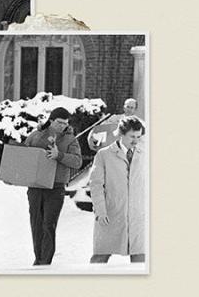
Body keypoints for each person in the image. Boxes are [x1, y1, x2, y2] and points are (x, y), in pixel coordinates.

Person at [22, 107, 83, 265]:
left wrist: (59, 155)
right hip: (35, 186)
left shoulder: (71, 140)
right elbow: (22, 154)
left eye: (65, 123)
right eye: (59, 122)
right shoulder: (35, 136)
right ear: (51, 120)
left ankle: (44, 262)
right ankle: (38, 258)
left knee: (48, 224)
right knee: (36, 223)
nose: (63, 126)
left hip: (56, 188)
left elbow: (77, 162)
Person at [89, 116, 147, 264]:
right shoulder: (104, 155)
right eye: (132, 136)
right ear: (121, 134)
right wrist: (100, 211)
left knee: (140, 260)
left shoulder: (145, 155)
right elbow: (96, 186)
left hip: (137, 216)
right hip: (111, 214)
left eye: (138, 137)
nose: (135, 141)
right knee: (100, 258)